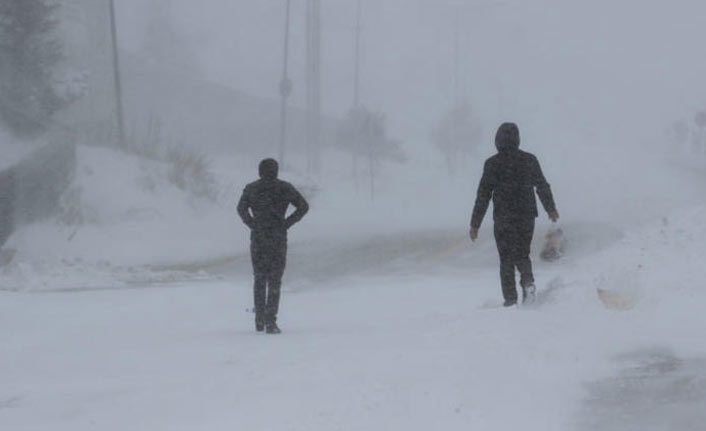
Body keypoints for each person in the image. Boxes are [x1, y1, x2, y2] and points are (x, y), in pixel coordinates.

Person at [469, 123, 559, 306]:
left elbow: (483, 195)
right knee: (523, 254)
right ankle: (528, 283)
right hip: (526, 216)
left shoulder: (492, 164)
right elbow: (542, 185)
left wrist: (475, 224)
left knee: (506, 259)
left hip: (503, 217)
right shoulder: (529, 160)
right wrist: (550, 208)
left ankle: (510, 299)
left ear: (498, 140)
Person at [237, 158, 309, 333]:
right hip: (277, 237)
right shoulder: (284, 188)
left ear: (260, 171)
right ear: (276, 171)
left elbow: (241, 208)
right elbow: (303, 207)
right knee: (275, 280)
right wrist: (286, 223)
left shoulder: (252, 188)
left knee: (259, 278)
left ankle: (259, 319)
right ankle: (271, 321)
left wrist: (252, 223)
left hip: (258, 237)